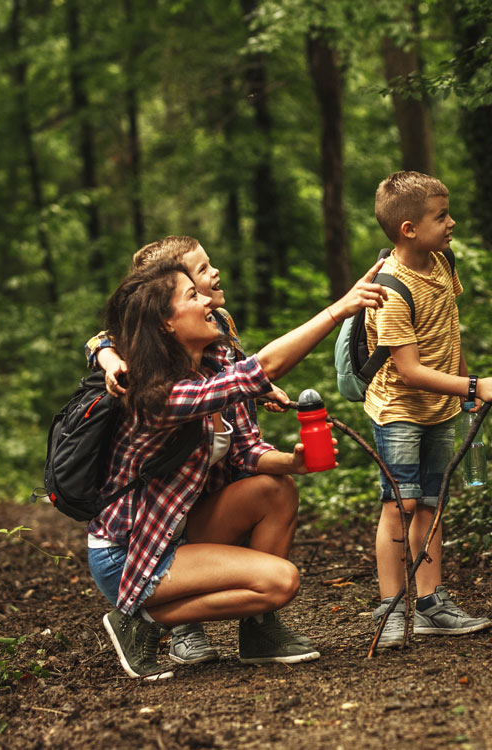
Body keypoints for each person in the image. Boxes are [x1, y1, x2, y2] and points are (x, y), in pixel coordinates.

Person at [89, 258, 386, 679]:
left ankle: (259, 632)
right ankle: (142, 621)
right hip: (133, 552)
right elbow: (266, 368)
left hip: (177, 529)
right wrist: (339, 309)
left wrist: (293, 464)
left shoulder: (210, 363)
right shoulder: (159, 392)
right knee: (280, 583)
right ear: (167, 325)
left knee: (274, 488)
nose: (206, 300)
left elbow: (246, 451)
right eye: (192, 296)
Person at [84, 235, 286, 665]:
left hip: (202, 492)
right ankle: (167, 623)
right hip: (148, 523)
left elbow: (240, 375)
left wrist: (258, 387)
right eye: (200, 273)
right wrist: (105, 355)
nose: (214, 274)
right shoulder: (151, 369)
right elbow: (103, 335)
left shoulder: (217, 329)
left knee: (274, 488)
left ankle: (259, 626)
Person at [365, 171, 492, 648]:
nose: (452, 222)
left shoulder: (443, 262)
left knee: (432, 501)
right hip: (399, 409)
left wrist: (465, 387)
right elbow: (407, 370)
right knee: (400, 503)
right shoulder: (391, 289)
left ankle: (430, 603)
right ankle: (390, 609)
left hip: (441, 407)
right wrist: (473, 383)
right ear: (408, 228)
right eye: (441, 215)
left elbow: (449, 332)